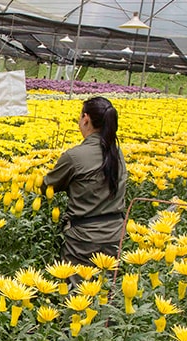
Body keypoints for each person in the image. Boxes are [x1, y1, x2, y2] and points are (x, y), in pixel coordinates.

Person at [41, 96, 127, 267]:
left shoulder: (75, 156)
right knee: (105, 288)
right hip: (115, 235)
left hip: (83, 240)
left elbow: (46, 187)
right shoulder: (117, 153)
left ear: (86, 119)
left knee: (76, 290)